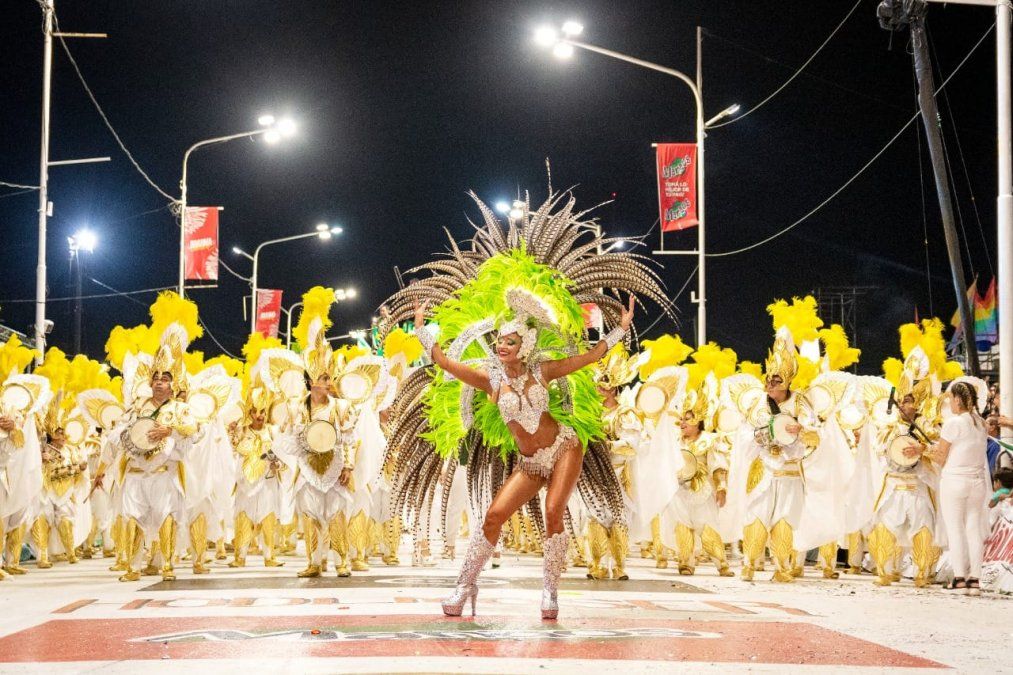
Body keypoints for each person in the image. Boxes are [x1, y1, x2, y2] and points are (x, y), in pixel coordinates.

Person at [415, 293, 633, 619]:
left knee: (553, 510)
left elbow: (590, 357)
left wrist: (620, 329)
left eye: (510, 342)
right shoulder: (489, 379)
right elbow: (445, 362)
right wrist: (421, 329)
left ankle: (549, 590)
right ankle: (465, 585)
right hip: (529, 463)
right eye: (500, 341)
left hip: (563, 449)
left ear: (525, 346)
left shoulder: (543, 371)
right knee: (493, 516)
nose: (501, 346)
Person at [932, 379, 990, 595]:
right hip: (977, 482)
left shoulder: (953, 423)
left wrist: (923, 450)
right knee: (974, 529)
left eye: (950, 400)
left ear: (957, 399)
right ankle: (974, 579)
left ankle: (959, 579)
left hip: (955, 481)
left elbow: (940, 457)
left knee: (956, 529)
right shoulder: (980, 423)